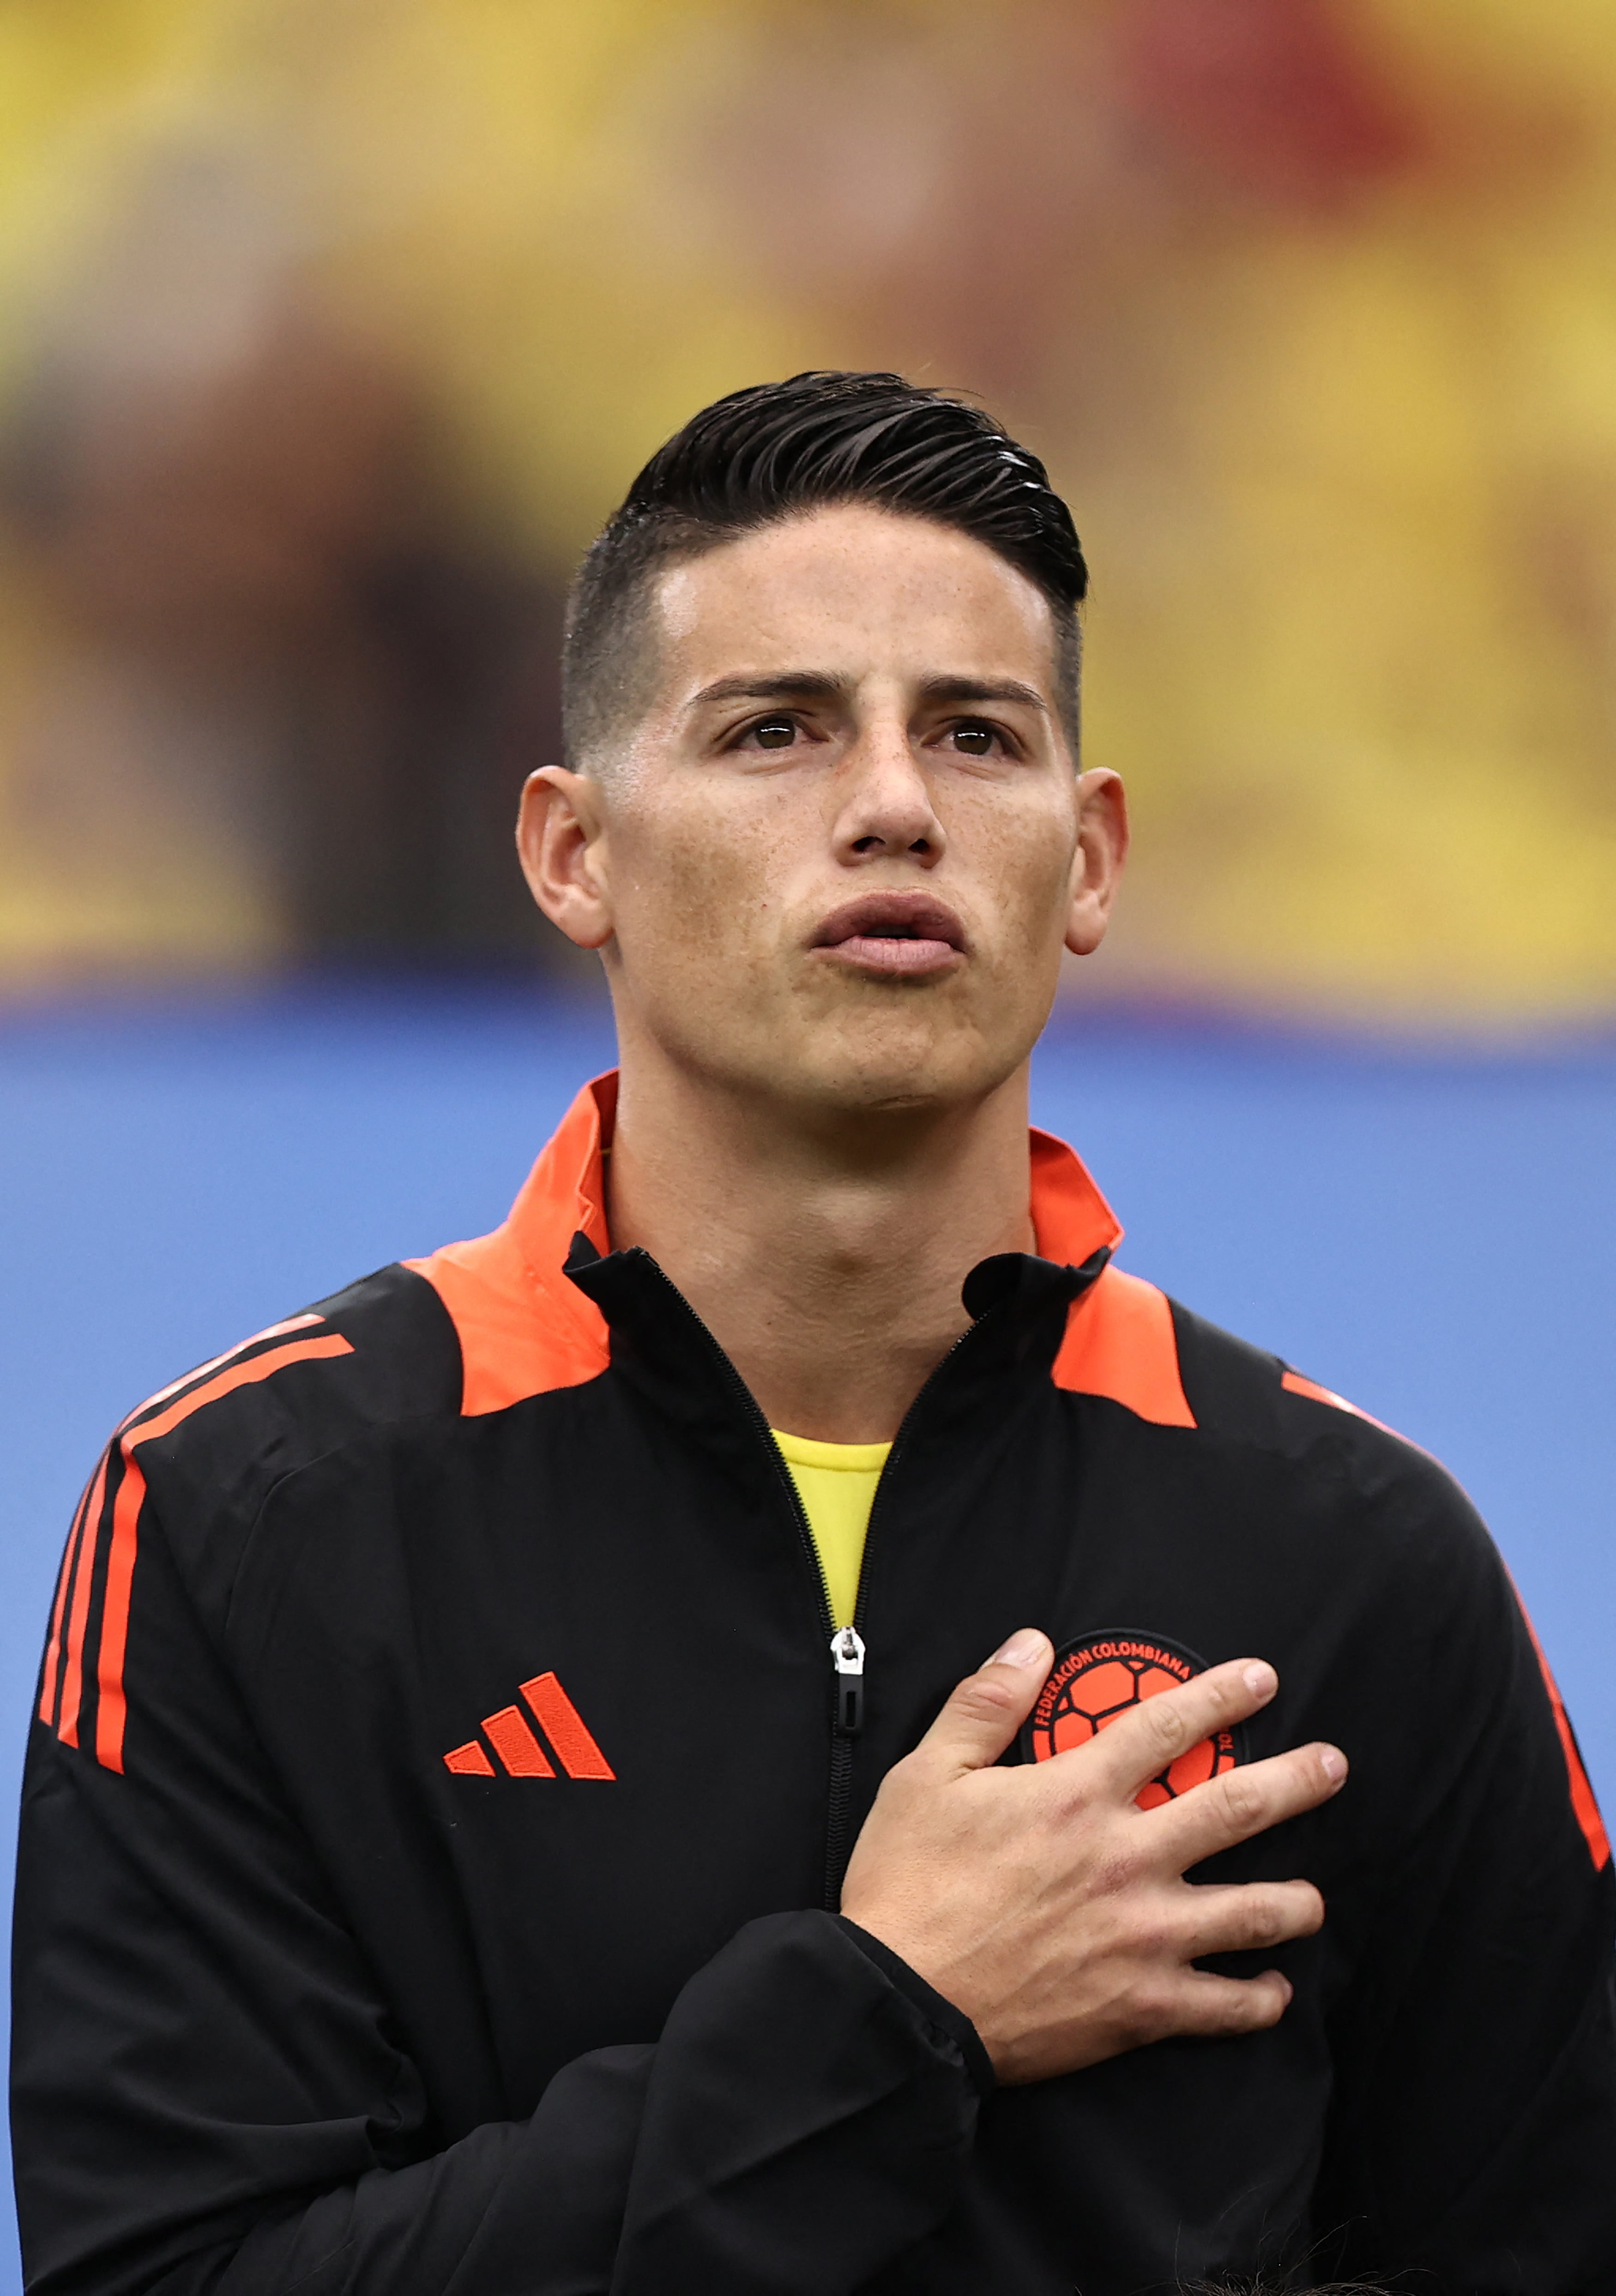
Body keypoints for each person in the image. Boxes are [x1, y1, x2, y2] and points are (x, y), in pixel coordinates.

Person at [13, 372, 1615, 2296]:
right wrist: (885, 2017)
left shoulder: (1354, 1546)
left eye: (974, 735)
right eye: (774, 730)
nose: (888, 805)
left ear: (1085, 856)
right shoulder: (243, 1511)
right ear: (570, 852)